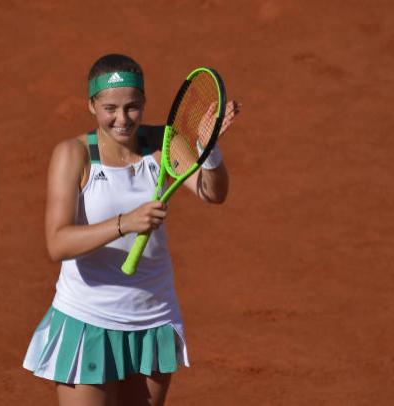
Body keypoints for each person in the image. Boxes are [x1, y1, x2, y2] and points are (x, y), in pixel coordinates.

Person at [23, 54, 240, 405]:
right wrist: (126, 223)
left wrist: (207, 148)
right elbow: (57, 243)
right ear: (91, 105)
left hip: (152, 318)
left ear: (144, 104)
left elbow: (213, 193)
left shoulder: (163, 144)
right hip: (87, 318)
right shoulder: (72, 155)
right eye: (110, 108)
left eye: (132, 107)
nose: (122, 119)